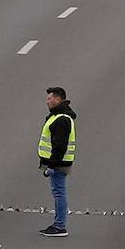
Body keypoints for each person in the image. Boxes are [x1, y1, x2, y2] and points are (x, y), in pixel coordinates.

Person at [38, 86, 76, 237]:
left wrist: (52, 165)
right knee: (58, 192)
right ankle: (58, 223)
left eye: (49, 98)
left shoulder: (62, 119)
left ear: (58, 99)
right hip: (58, 162)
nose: (47, 102)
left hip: (59, 163)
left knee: (59, 193)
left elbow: (60, 145)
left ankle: (60, 226)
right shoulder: (57, 116)